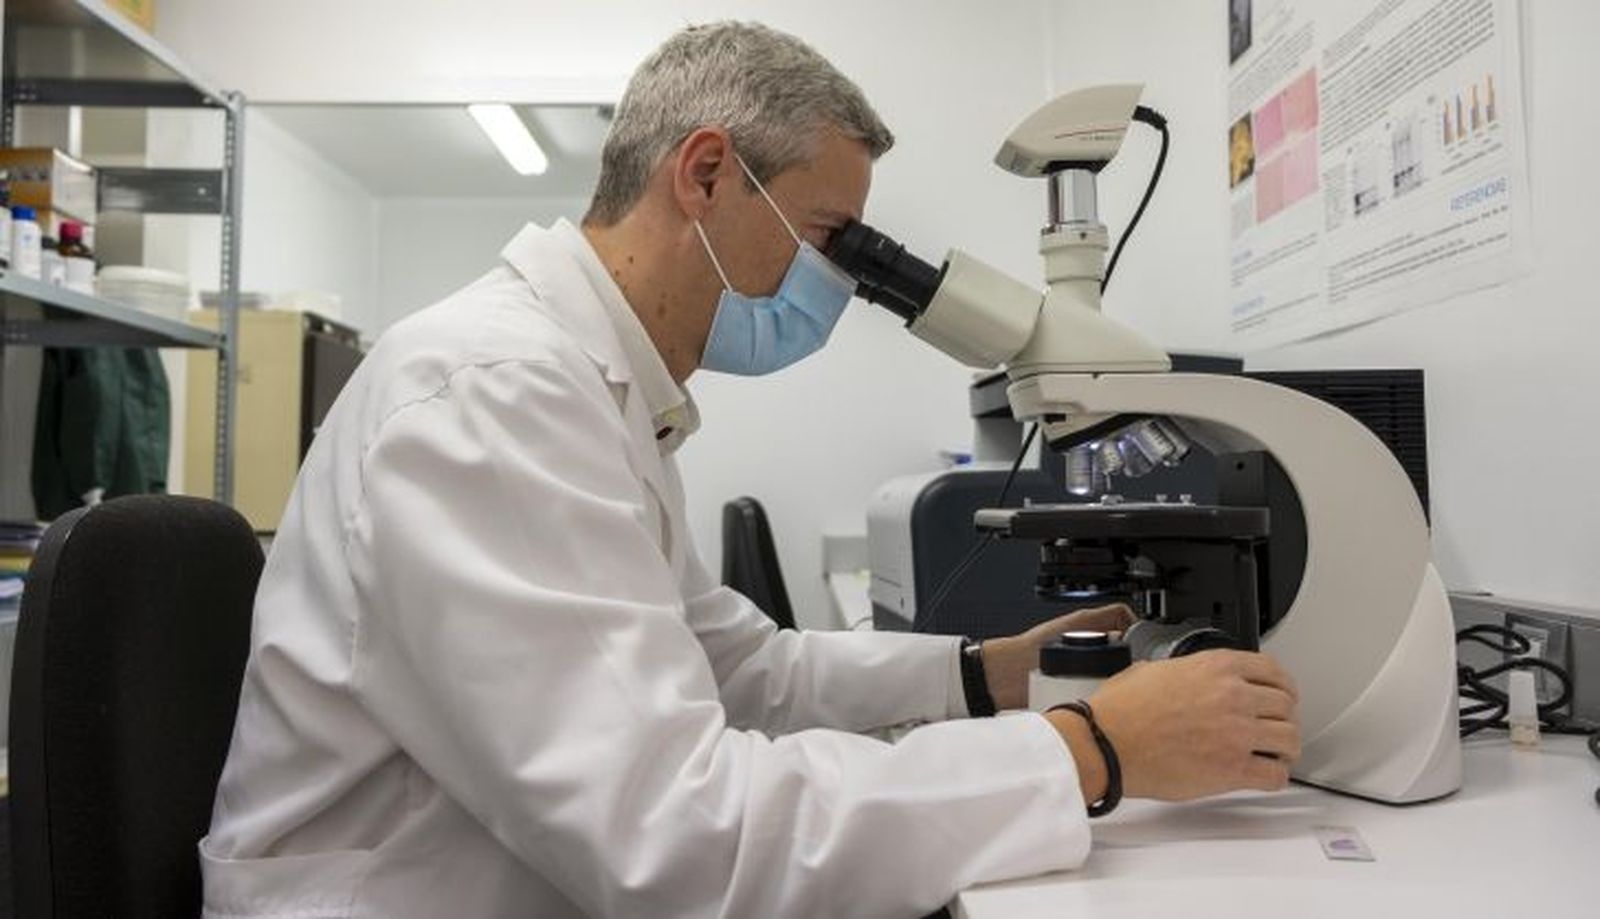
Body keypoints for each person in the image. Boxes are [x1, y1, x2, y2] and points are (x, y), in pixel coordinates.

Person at [200, 21, 1301, 919]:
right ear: (706, 174)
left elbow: (743, 670)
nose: (839, 283)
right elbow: (678, 841)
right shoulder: (495, 394)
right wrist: (1092, 750)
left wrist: (988, 676)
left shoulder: (593, 391)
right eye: (833, 238)